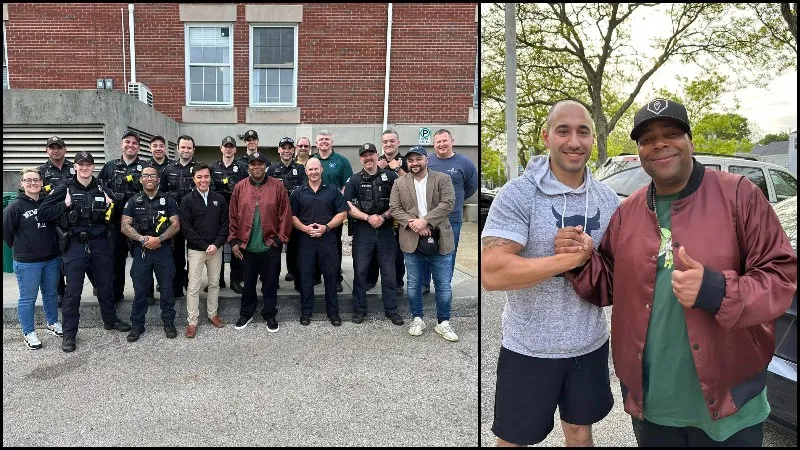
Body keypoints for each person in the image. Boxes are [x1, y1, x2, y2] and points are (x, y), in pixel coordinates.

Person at [558, 98, 797, 447]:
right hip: (654, 405)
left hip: (730, 402)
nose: (659, 144)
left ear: (690, 141)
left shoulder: (739, 195)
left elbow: (781, 277)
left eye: (671, 133)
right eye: (647, 139)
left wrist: (716, 290)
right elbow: (609, 283)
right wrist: (582, 259)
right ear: (639, 151)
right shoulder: (628, 211)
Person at [481, 100, 620, 447]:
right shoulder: (519, 193)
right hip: (529, 348)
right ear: (546, 137)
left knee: (579, 432)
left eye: (582, 132)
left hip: (588, 344)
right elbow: (492, 272)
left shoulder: (608, 199)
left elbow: (621, 271)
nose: (574, 141)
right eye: (563, 131)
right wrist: (565, 261)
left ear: (593, 139)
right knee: (514, 439)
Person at [39, 152, 132, 353]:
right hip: (75, 246)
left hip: (100, 244)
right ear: (75, 167)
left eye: (88, 164)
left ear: (93, 167)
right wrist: (62, 205)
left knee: (106, 286)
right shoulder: (64, 188)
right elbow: (42, 212)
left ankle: (110, 320)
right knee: (73, 292)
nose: (84, 168)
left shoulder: (102, 188)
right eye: (81, 164)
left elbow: (120, 213)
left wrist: (112, 205)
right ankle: (70, 334)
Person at [389, 146, 457, 341]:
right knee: (414, 284)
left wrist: (425, 221)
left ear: (426, 160)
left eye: (418, 159)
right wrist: (415, 224)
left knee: (443, 285)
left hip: (440, 238)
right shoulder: (400, 182)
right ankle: (417, 318)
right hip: (411, 239)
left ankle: (443, 322)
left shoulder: (442, 179)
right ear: (406, 163)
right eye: (410, 160)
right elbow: (394, 207)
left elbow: (448, 204)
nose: (414, 163)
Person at [228, 151, 293, 332]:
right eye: (253, 164)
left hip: (269, 246)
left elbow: (285, 215)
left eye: (260, 164)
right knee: (248, 284)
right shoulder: (240, 187)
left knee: (270, 284)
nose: (257, 167)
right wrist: (233, 241)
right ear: (248, 167)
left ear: (266, 166)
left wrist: (279, 240)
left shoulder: (277, 187)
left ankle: (270, 314)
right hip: (246, 246)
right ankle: (246, 313)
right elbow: (232, 216)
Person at [344, 142, 404, 326]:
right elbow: (348, 206)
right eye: (364, 155)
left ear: (377, 155)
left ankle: (392, 310)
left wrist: (384, 216)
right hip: (363, 231)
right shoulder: (353, 180)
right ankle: (359, 310)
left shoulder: (392, 176)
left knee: (389, 273)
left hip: (386, 230)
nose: (368, 158)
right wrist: (368, 218)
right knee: (360, 272)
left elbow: (399, 202)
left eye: (371, 154)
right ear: (360, 158)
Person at [3, 168, 62, 349]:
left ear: (42, 182)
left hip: (51, 258)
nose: (32, 183)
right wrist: (24, 248)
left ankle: (52, 322)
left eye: (36, 180)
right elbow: (7, 233)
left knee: (51, 293)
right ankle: (28, 332)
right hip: (27, 262)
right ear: (22, 184)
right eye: (28, 180)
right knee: (28, 298)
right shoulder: (15, 207)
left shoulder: (47, 202)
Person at [120, 164, 180, 342]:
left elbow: (175, 224)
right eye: (145, 175)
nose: (149, 178)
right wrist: (143, 239)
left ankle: (168, 323)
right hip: (142, 251)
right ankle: (137, 325)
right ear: (140, 179)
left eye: (152, 175)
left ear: (158, 179)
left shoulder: (168, 200)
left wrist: (158, 240)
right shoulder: (133, 201)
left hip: (164, 251)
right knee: (140, 291)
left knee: (167, 290)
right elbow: (125, 225)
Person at [290, 158, 349, 326]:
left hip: (327, 239)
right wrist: (305, 228)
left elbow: (343, 213)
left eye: (316, 169)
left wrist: (326, 227)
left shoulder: (333, 190)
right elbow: (292, 216)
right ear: (306, 172)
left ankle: (333, 313)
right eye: (310, 169)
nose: (314, 172)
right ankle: (306, 312)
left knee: (331, 277)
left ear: (321, 170)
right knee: (306, 277)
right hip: (305, 240)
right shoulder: (298, 192)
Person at [38, 136, 96, 304]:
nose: (56, 150)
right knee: (56, 259)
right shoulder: (41, 172)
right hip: (53, 221)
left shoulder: (76, 167)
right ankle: (60, 292)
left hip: (75, 222)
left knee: (86, 254)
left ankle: (96, 284)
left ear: (65, 149)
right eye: (52, 147)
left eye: (59, 147)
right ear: (47, 150)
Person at [423, 128, 478, 294]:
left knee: (448, 253)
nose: (442, 144)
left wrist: (455, 200)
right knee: (425, 250)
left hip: (452, 218)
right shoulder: (427, 162)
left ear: (452, 141)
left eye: (445, 141)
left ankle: (444, 285)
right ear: (434, 144)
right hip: (429, 217)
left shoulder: (465, 163)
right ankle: (424, 284)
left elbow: (471, 187)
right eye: (438, 142)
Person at [180, 163, 229, 338]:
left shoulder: (219, 199)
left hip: (216, 249)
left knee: (214, 284)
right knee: (193, 287)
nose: (203, 180)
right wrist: (203, 245)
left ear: (210, 177)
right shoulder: (187, 201)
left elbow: (225, 225)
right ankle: (192, 321)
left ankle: (212, 314)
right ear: (193, 178)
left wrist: (216, 244)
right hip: (196, 250)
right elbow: (187, 228)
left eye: (206, 176)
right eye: (199, 177)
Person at [98, 130, 145, 303]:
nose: (131, 145)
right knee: (116, 259)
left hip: (139, 221)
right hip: (115, 221)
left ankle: (144, 294)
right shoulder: (110, 166)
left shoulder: (145, 167)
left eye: (134, 143)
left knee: (141, 260)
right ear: (121, 144)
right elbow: (99, 185)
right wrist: (106, 196)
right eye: (127, 142)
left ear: (139, 147)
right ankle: (116, 294)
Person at [311, 130, 353, 293]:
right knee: (313, 243)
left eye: (327, 139)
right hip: (314, 209)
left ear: (332, 142)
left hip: (333, 211)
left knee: (334, 246)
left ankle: (335, 278)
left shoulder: (341, 161)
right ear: (316, 143)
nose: (324, 142)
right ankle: (315, 275)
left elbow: (347, 186)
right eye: (321, 139)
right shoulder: (312, 160)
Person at [266, 137, 307, 290]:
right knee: (274, 248)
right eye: (284, 148)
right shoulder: (271, 169)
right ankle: (273, 279)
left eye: (290, 148)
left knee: (296, 247)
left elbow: (304, 191)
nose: (286, 151)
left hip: (295, 214)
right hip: (276, 217)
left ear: (293, 150)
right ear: (279, 150)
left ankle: (295, 275)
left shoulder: (301, 169)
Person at [210, 136, 248, 294]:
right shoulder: (213, 167)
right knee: (216, 246)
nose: (228, 149)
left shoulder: (241, 168)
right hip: (216, 212)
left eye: (231, 146)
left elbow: (246, 190)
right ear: (221, 148)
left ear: (235, 149)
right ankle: (217, 280)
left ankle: (236, 280)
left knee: (236, 246)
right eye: (226, 146)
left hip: (236, 213)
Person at [162, 135, 197, 299]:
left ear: (193, 150)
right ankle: (176, 288)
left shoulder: (199, 168)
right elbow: (161, 193)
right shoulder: (168, 169)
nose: (186, 150)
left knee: (193, 256)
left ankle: (191, 285)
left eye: (189, 148)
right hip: (173, 220)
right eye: (183, 147)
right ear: (177, 148)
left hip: (193, 220)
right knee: (175, 255)